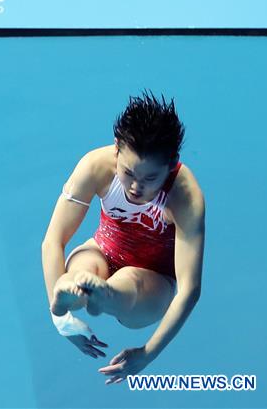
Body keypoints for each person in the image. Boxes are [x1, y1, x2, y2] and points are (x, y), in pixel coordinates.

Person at [41, 92, 204, 384]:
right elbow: (53, 240)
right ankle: (75, 288)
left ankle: (105, 295)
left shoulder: (186, 198)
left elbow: (189, 289)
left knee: (129, 280)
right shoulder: (95, 166)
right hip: (103, 250)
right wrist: (62, 322)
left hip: (153, 283)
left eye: (150, 179)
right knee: (84, 264)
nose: (135, 187)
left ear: (171, 164)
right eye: (128, 173)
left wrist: (147, 354)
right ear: (117, 149)